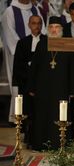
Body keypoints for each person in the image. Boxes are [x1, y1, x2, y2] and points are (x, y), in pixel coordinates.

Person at [27, 16, 74, 151]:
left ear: (61, 29)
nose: (54, 30)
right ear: (48, 29)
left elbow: (73, 68)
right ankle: (41, 143)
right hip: (43, 88)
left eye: (57, 27)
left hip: (62, 88)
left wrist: (73, 89)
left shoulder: (68, 44)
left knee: (60, 115)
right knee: (42, 115)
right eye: (51, 27)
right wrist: (31, 87)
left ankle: (59, 144)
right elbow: (34, 67)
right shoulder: (42, 44)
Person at [1, 0, 45, 123]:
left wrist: (37, 55)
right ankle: (17, 117)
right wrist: (26, 54)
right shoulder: (10, 12)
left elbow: (43, 31)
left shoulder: (35, 10)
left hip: (37, 57)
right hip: (19, 57)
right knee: (19, 89)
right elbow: (10, 34)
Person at [12, 15, 44, 146]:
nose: (36, 26)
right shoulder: (22, 43)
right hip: (26, 85)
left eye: (38, 23)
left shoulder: (46, 41)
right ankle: (28, 137)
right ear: (29, 25)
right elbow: (18, 66)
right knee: (27, 112)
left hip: (41, 84)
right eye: (34, 23)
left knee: (39, 112)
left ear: (41, 25)